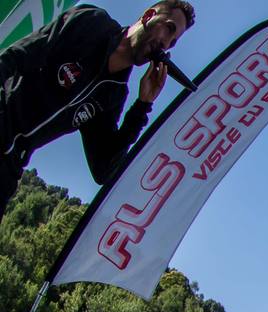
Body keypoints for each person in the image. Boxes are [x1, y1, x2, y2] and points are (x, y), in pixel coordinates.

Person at [0, 1, 194, 218]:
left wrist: (142, 106)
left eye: (173, 42)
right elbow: (15, 57)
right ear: (149, 15)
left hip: (10, 165)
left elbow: (104, 170)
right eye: (168, 28)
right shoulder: (92, 24)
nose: (166, 43)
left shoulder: (113, 93)